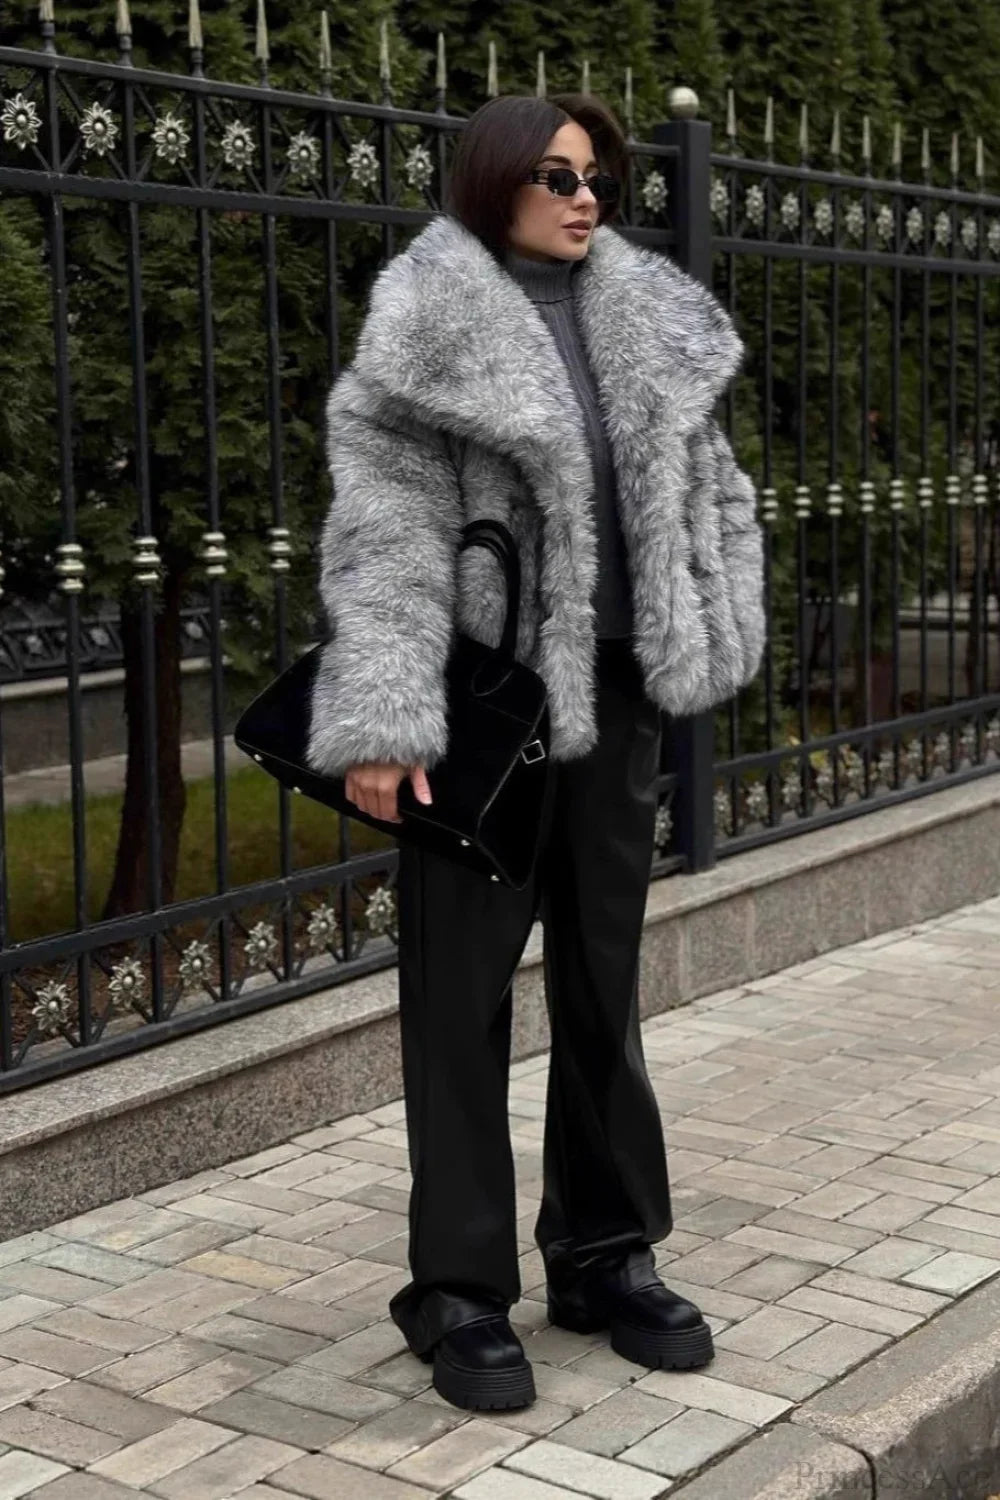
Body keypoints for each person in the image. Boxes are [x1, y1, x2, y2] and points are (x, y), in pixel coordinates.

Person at [305, 92, 766, 1413]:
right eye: (559, 175)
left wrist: (716, 608)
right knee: (459, 1003)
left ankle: (606, 1255)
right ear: (497, 178)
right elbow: (386, 532)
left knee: (603, 988)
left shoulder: (652, 319)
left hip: (617, 703)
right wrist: (385, 718)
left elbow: (718, 491)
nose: (586, 198)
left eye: (599, 178)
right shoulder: (427, 325)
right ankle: (456, 1292)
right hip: (482, 713)